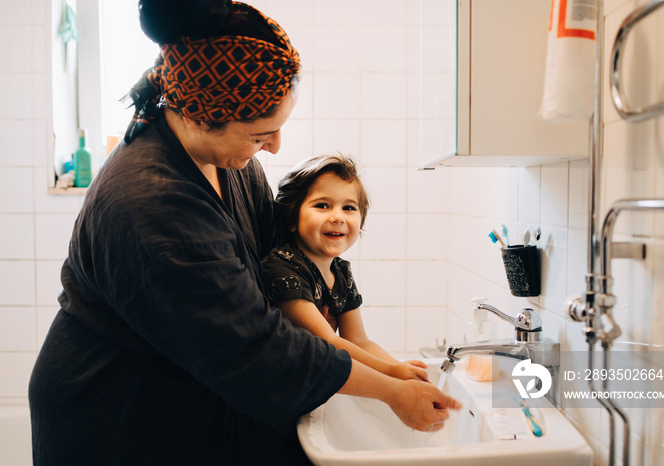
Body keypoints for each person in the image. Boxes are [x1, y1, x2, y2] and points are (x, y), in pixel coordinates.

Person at [28, 1, 460, 465]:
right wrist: (391, 392)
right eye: (259, 134)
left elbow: (278, 259)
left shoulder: (227, 162)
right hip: (117, 418)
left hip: (183, 400)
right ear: (198, 115)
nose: (274, 147)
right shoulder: (152, 204)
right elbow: (256, 346)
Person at [263, 155, 429, 382]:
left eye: (349, 207)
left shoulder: (339, 272)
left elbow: (358, 341)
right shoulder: (283, 269)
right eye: (322, 205)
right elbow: (328, 342)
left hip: (311, 383)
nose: (338, 217)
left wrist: (397, 367)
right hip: (279, 391)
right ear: (291, 218)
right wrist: (390, 373)